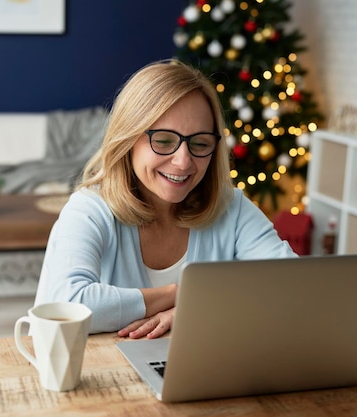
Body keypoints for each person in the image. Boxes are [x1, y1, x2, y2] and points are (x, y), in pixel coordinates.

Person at [33, 59, 296, 339]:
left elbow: (293, 285)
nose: (183, 162)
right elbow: (67, 303)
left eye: (200, 143)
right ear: (128, 139)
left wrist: (195, 307)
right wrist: (177, 295)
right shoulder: (88, 209)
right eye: (164, 140)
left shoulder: (232, 208)